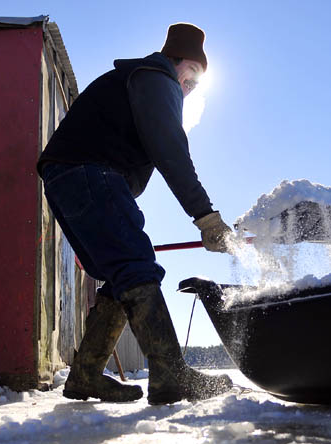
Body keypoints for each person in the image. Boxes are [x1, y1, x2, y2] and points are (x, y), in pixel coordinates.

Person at [37, 23, 234, 405]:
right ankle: (171, 375)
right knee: (136, 265)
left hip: (69, 175)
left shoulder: (139, 80)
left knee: (119, 275)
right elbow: (170, 150)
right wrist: (205, 216)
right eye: (190, 73)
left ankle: (85, 375)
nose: (190, 85)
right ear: (173, 60)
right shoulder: (155, 77)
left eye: (198, 81)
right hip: (88, 171)